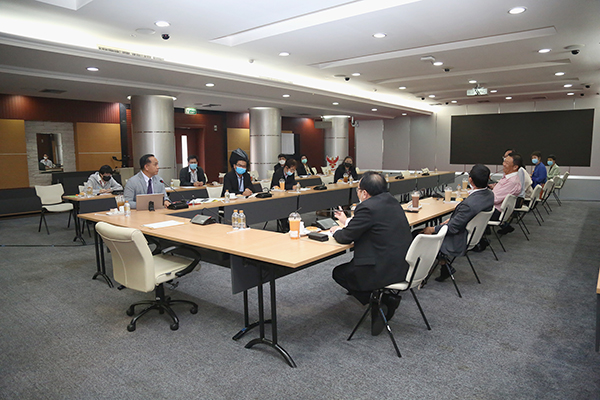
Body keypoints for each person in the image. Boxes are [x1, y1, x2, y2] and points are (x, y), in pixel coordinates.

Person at [330, 171, 412, 336]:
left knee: (339, 273)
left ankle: (380, 301)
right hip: (402, 264)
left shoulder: (367, 207)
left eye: (358, 189)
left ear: (365, 193)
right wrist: (347, 222)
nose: (358, 192)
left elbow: (346, 237)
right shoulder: (392, 201)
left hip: (381, 266)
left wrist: (336, 231)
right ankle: (384, 299)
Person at [421, 164, 494, 281]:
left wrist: (432, 229)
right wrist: (453, 220)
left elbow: (452, 228)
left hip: (459, 238)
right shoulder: (489, 194)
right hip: (473, 235)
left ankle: (417, 273)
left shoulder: (469, 204)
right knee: (437, 228)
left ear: (470, 180)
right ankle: (444, 266)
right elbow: (462, 220)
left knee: (418, 234)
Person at [489, 153, 522, 221]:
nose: (503, 164)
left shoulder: (512, 182)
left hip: (494, 211)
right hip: (494, 208)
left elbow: (495, 199)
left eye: (507, 163)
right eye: (504, 161)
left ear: (515, 167)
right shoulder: (508, 178)